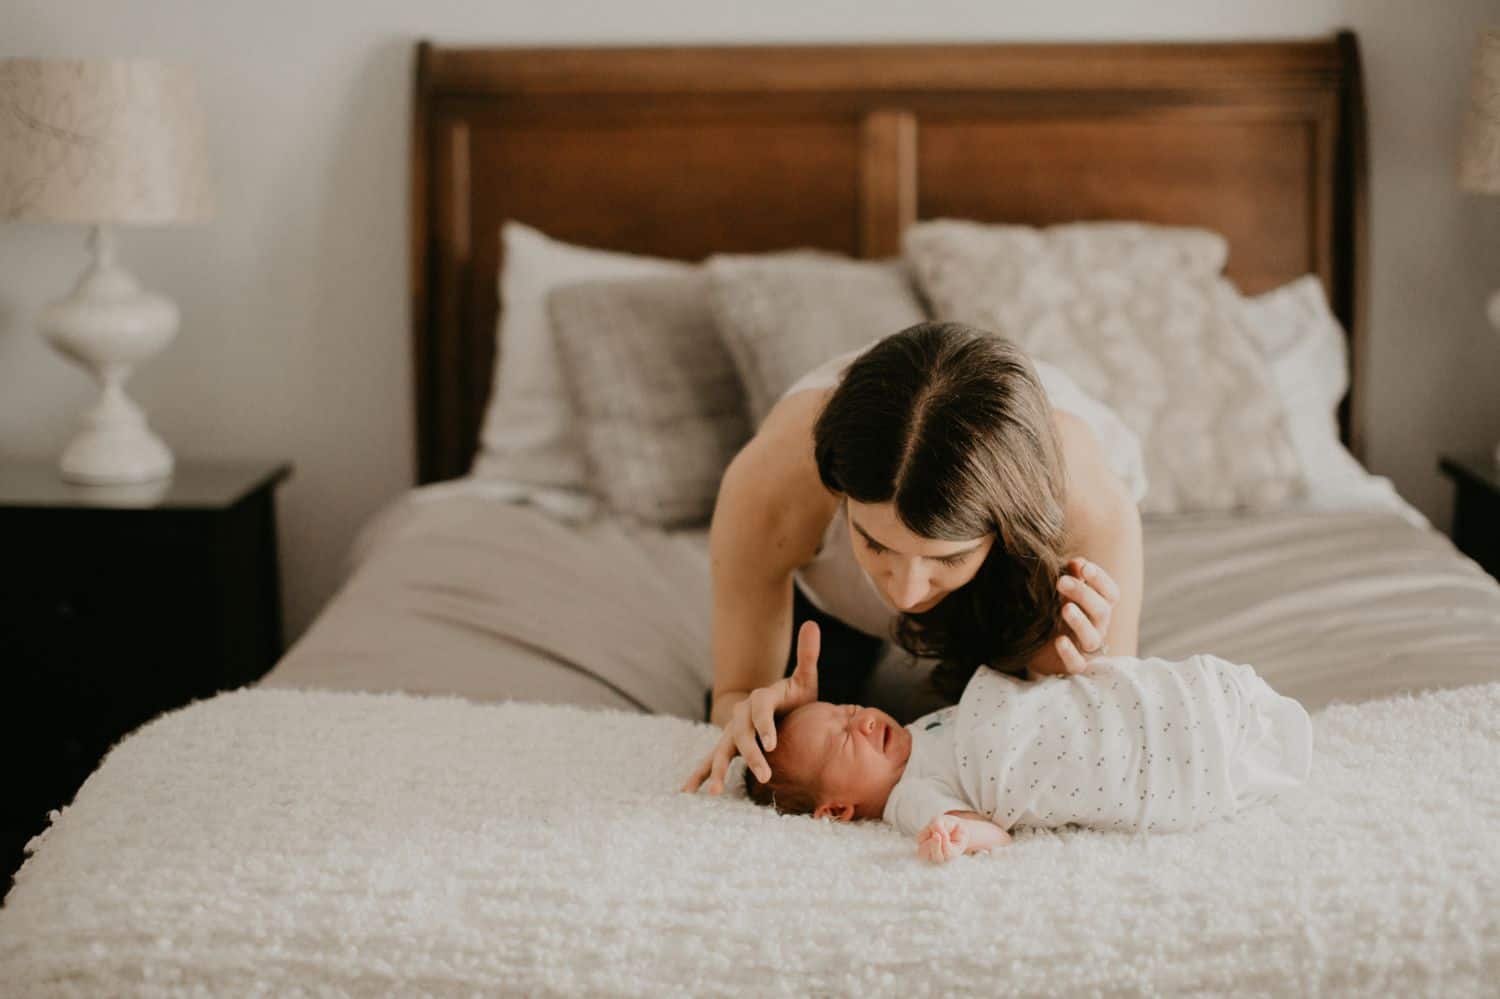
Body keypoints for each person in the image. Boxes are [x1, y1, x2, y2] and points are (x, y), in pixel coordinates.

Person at [682, 321, 1147, 796]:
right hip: (827, 600)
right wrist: (755, 713)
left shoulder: (1091, 511)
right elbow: (734, 696)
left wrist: (1055, 676)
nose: (904, 593)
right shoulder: (772, 481)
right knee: (793, 762)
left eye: (945, 558)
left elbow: (1104, 739)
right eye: (875, 543)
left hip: (1007, 587)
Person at [741, 623, 1313, 864]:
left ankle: (1200, 709)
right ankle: (1212, 740)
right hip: (1080, 761)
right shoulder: (909, 799)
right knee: (1128, 749)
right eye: (845, 740)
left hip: (1065, 716)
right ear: (838, 809)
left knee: (1114, 704)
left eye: (849, 710)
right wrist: (959, 837)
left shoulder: (914, 736)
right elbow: (997, 833)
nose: (863, 721)